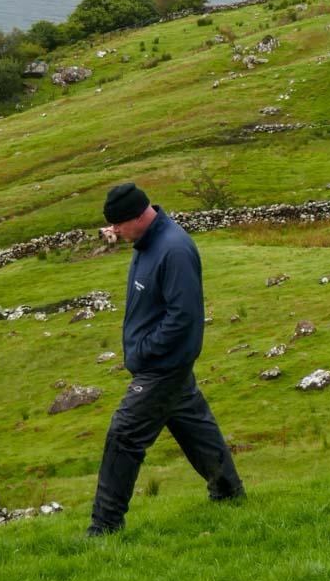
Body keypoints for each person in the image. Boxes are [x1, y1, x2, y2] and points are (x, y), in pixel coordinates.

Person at [86, 181, 245, 536]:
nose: (114, 232)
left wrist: (144, 351)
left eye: (118, 225)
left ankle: (104, 527)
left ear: (138, 217)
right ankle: (229, 492)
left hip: (163, 367)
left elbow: (183, 318)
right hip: (165, 365)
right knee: (196, 429)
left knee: (123, 435)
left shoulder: (173, 249)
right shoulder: (146, 244)